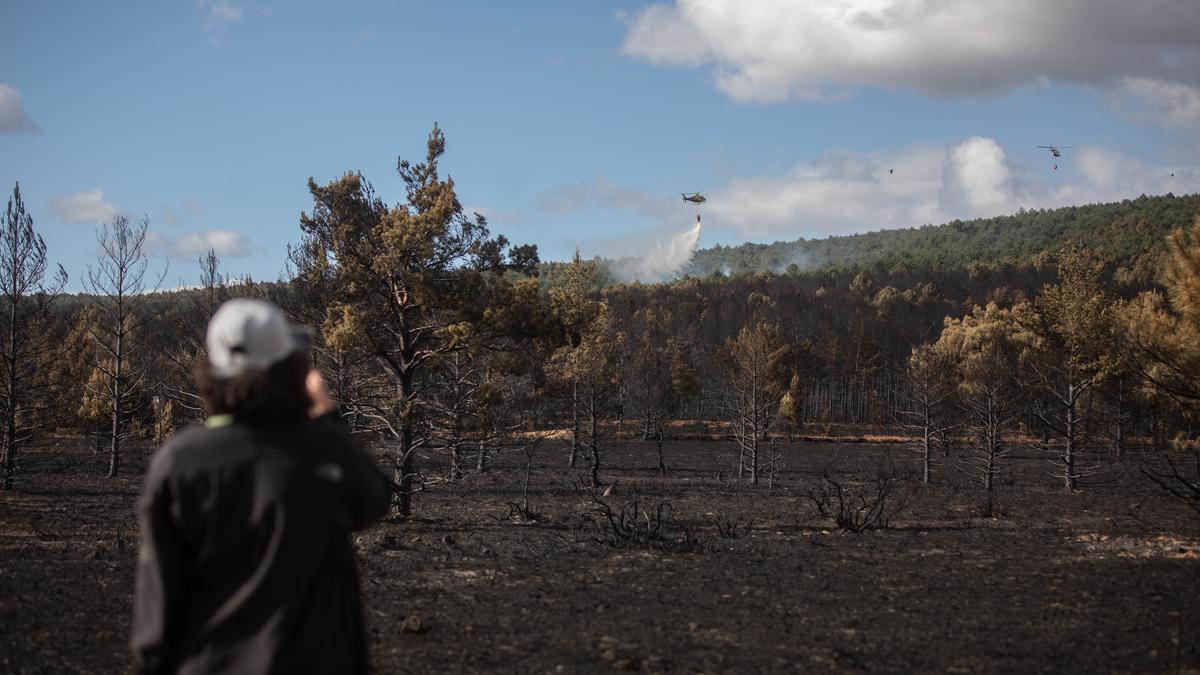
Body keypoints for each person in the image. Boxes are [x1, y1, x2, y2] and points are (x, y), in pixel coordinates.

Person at [131, 299, 392, 674]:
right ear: (291, 369)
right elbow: (374, 499)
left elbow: (156, 608)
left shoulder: (181, 462)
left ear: (212, 372)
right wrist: (327, 416)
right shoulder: (324, 451)